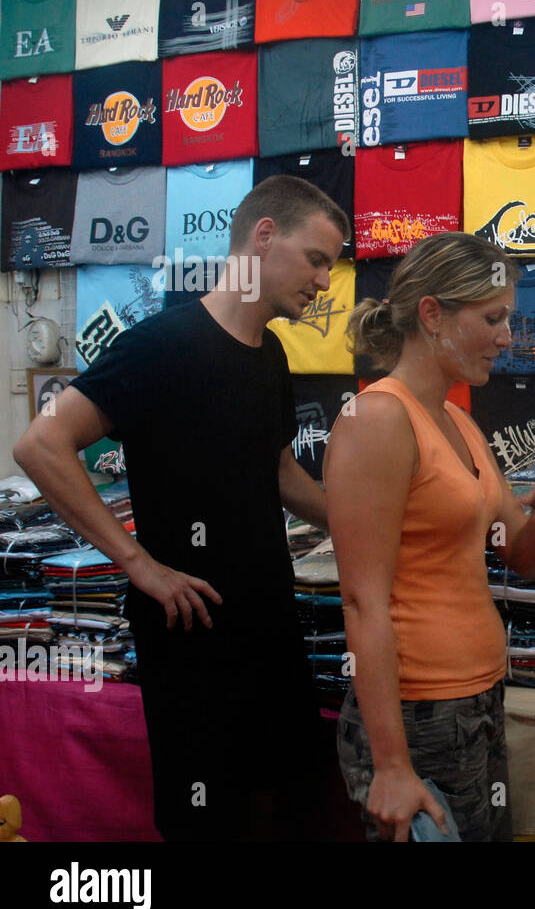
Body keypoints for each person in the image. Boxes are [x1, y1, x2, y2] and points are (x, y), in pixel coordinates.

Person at [14, 175, 349, 841]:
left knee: (288, 808)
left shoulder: (273, 354)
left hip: (271, 626)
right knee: (209, 820)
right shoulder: (162, 345)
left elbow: (279, 472)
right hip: (192, 636)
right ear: (263, 236)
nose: (323, 282)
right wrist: (139, 564)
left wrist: (369, 519)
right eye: (316, 259)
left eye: (330, 268)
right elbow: (41, 444)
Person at [326, 231, 535, 843]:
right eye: (493, 318)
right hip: (417, 710)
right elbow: (362, 600)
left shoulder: (459, 421)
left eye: (508, 319)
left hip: (474, 695)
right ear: (433, 315)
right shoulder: (380, 420)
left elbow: (523, 559)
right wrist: (389, 764)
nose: (508, 338)